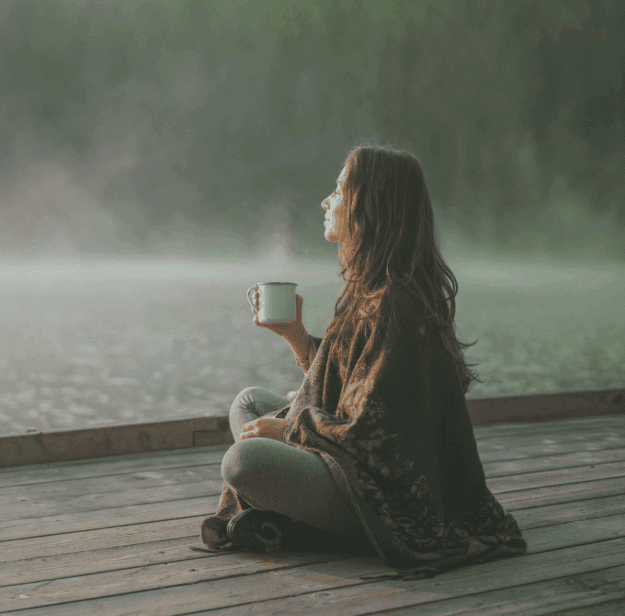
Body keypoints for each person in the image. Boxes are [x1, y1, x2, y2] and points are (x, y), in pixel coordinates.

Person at [199, 143, 527, 579]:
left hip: (385, 498)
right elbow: (352, 385)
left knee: (244, 463)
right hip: (349, 463)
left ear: (369, 206)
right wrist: (296, 337)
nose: (326, 200)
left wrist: (291, 428)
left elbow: (373, 435)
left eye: (338, 190)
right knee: (249, 403)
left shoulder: (395, 304)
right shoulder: (371, 288)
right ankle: (293, 512)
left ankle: (322, 529)